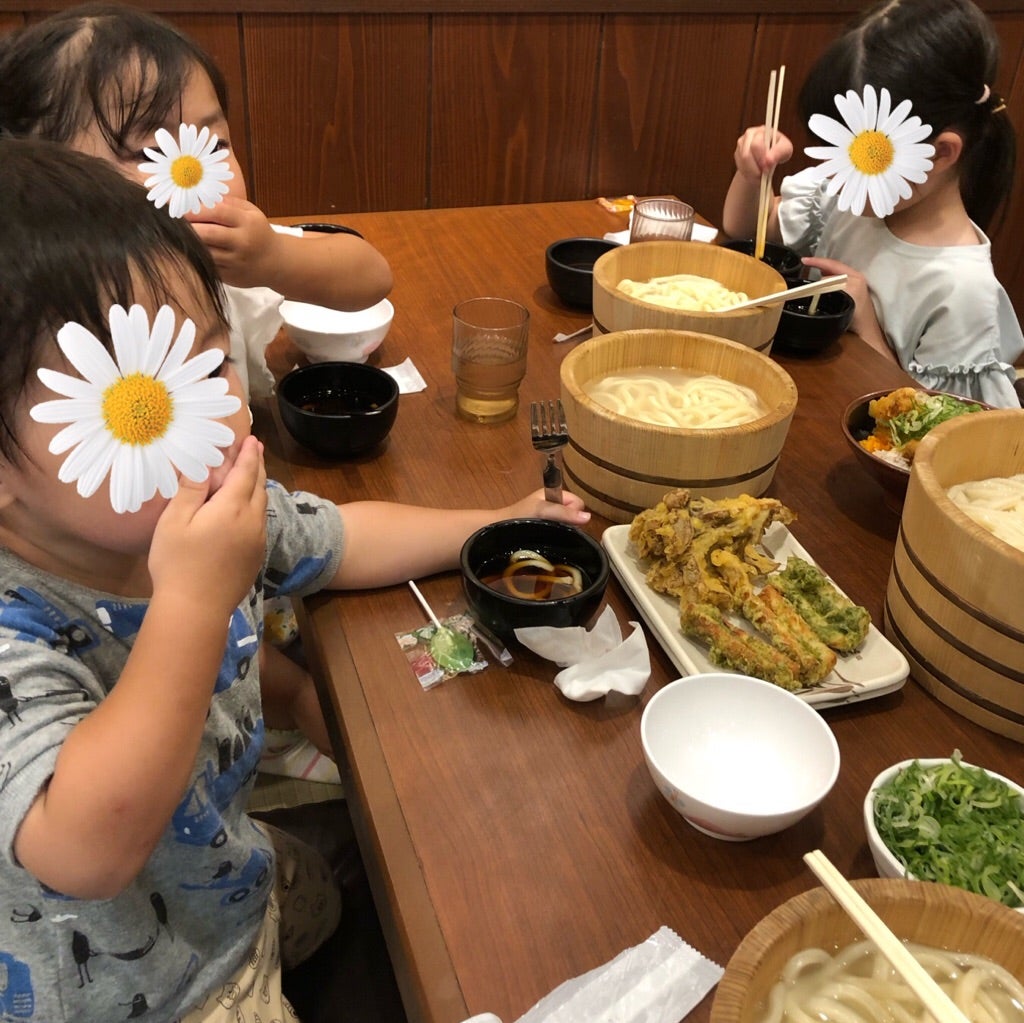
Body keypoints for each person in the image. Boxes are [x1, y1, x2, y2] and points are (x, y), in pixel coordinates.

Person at [0, 137, 590, 1023]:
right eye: (134, 403)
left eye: (209, 363)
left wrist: (495, 522)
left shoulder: (194, 512)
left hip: (217, 879)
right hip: (140, 994)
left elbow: (341, 538)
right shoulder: (18, 628)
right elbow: (85, 849)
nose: (208, 414)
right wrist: (193, 602)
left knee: (356, 894)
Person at [0, 1, 394, 402]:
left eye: (215, 143)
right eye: (152, 152)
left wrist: (273, 259)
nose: (197, 173)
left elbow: (371, 276)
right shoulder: (33, 315)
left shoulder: (219, 263)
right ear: (42, 177)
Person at [722, 0, 1023, 408]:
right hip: (802, 399)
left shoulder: (962, 291)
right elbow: (748, 231)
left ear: (939, 153)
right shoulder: (849, 196)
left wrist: (864, 322)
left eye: (863, 154)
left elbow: (934, 425)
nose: (835, 172)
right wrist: (753, 174)